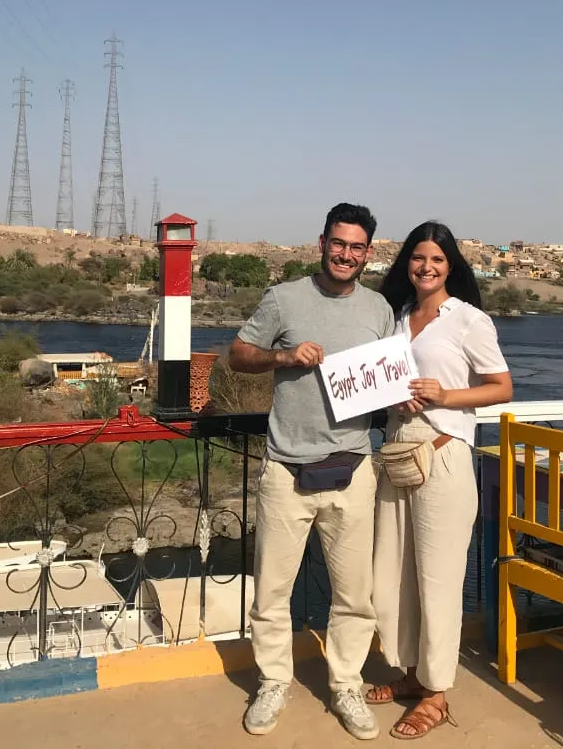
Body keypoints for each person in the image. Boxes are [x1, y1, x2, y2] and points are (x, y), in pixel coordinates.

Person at [230, 202, 395, 740]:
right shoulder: (283, 298)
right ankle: (273, 682)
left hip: (353, 468)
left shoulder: (378, 309)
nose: (346, 254)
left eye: (356, 247)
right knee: (271, 593)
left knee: (355, 595)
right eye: (338, 243)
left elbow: (388, 382)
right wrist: (283, 358)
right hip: (286, 470)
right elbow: (238, 355)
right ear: (322, 243)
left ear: (367, 253)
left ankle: (346, 685)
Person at [366, 221, 512, 739]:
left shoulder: (469, 320)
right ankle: (411, 673)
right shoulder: (397, 317)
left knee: (439, 580)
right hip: (396, 453)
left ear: (451, 266)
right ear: (407, 262)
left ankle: (436, 693)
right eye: (418, 257)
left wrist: (445, 396)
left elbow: (501, 387)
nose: (426, 267)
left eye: (437, 259)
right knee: (393, 574)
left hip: (443, 455)